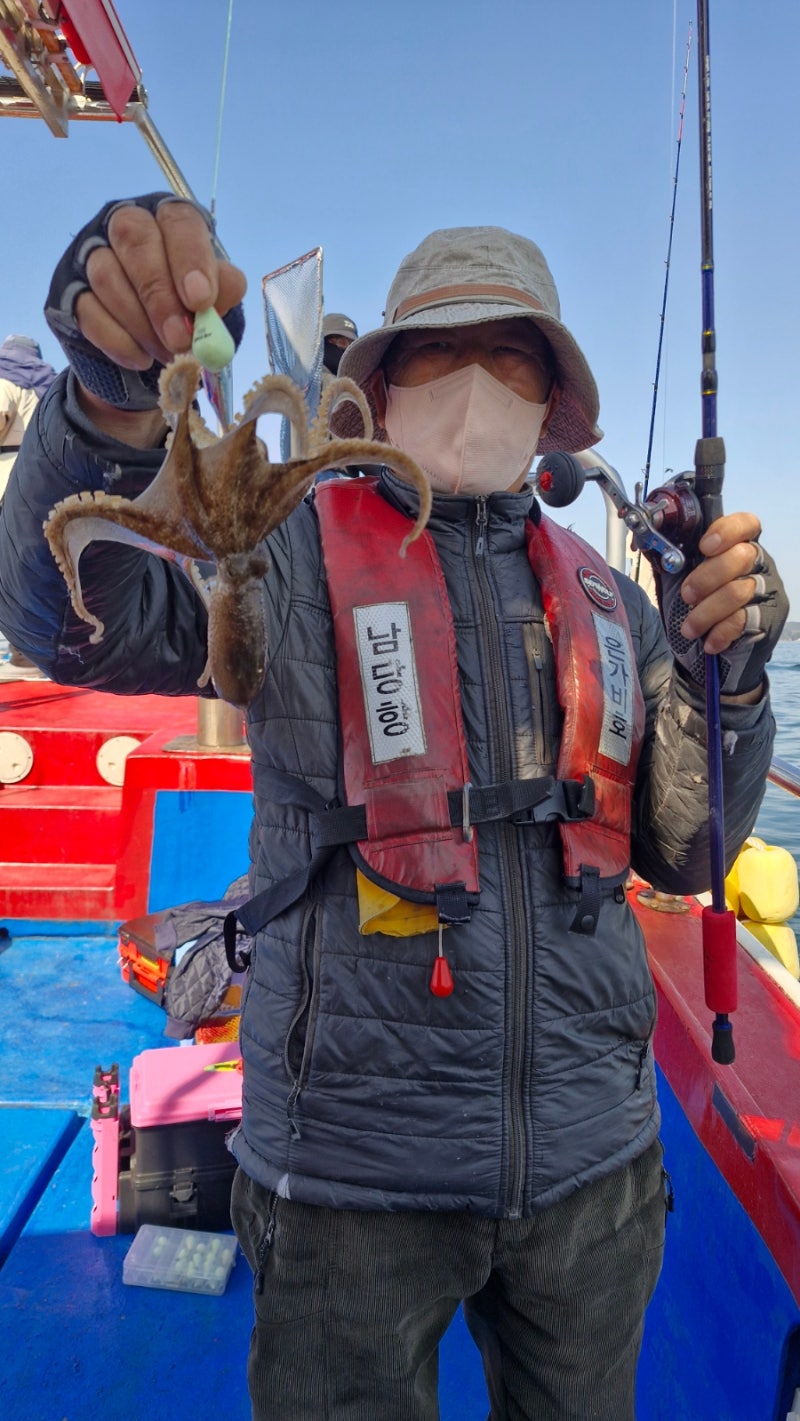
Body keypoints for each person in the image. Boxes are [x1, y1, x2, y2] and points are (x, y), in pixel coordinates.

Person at [0, 195, 788, 1421]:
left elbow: (686, 849)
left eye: (508, 353)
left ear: (550, 400)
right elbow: (68, 620)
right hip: (345, 1177)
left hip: (592, 1168)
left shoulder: (608, 602)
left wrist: (727, 682)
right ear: (381, 384)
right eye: (435, 352)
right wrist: (105, 404)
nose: (472, 380)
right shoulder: (287, 555)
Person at [0, 334, 56, 681]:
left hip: (6, 482)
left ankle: (20, 654)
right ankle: (30, 655)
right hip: (41, 487)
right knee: (30, 570)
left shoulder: (7, 376)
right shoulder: (49, 386)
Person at [322, 310, 358, 375]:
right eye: (342, 342)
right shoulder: (308, 375)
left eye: (353, 345)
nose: (347, 348)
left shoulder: (358, 378)